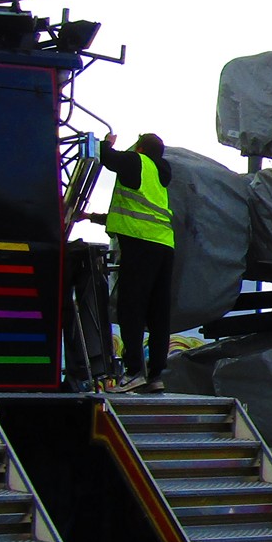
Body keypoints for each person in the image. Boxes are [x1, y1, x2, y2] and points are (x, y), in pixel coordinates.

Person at [92, 132, 174, 392]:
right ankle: (156, 374)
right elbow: (133, 212)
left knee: (132, 308)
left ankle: (134, 370)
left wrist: (107, 142)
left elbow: (107, 158)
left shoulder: (137, 161)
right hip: (164, 245)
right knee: (158, 312)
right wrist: (92, 217)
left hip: (140, 245)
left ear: (139, 147)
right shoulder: (161, 173)